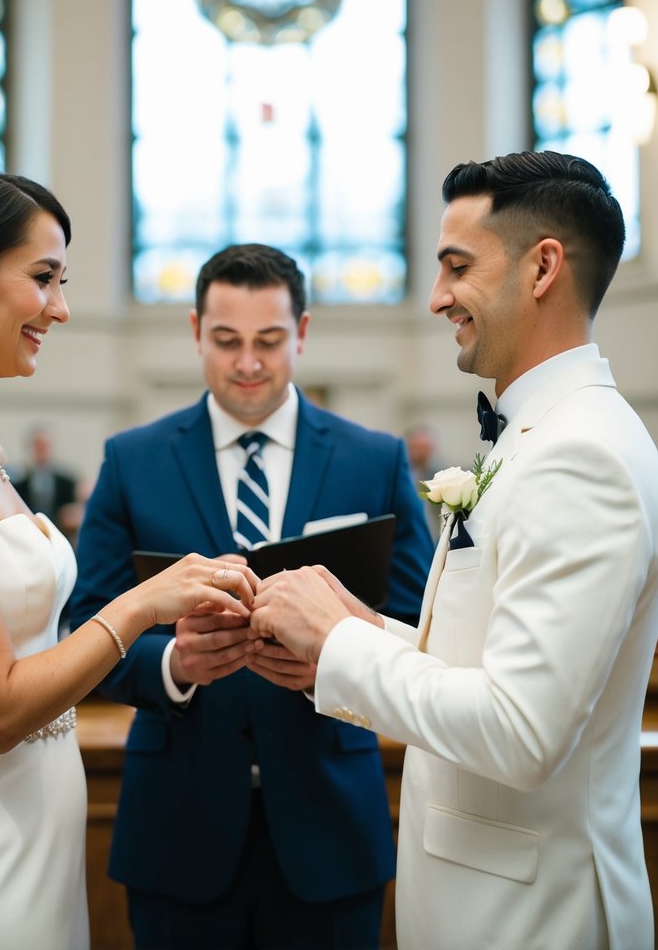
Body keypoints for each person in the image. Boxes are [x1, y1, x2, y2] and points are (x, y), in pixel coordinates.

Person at [0, 155, 257, 950]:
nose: (60, 309)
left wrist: (179, 646)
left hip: (29, 845)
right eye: (44, 277)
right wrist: (141, 604)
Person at [250, 152, 658, 950]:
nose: (436, 298)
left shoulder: (585, 457)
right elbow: (492, 661)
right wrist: (361, 632)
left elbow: (519, 731)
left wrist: (340, 646)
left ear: (543, 266)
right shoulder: (540, 436)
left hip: (533, 918)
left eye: (457, 266)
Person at [70, 243, 434, 950]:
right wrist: (174, 666)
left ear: (301, 333)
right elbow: (85, 626)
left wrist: (338, 662)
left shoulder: (374, 459)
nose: (247, 363)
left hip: (329, 826)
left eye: (268, 341)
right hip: (178, 826)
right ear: (194, 332)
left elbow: (420, 625)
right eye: (226, 341)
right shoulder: (133, 460)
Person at [13, 426, 79, 526]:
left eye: (45, 446)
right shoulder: (19, 486)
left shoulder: (67, 483)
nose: (42, 450)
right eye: (38, 446)